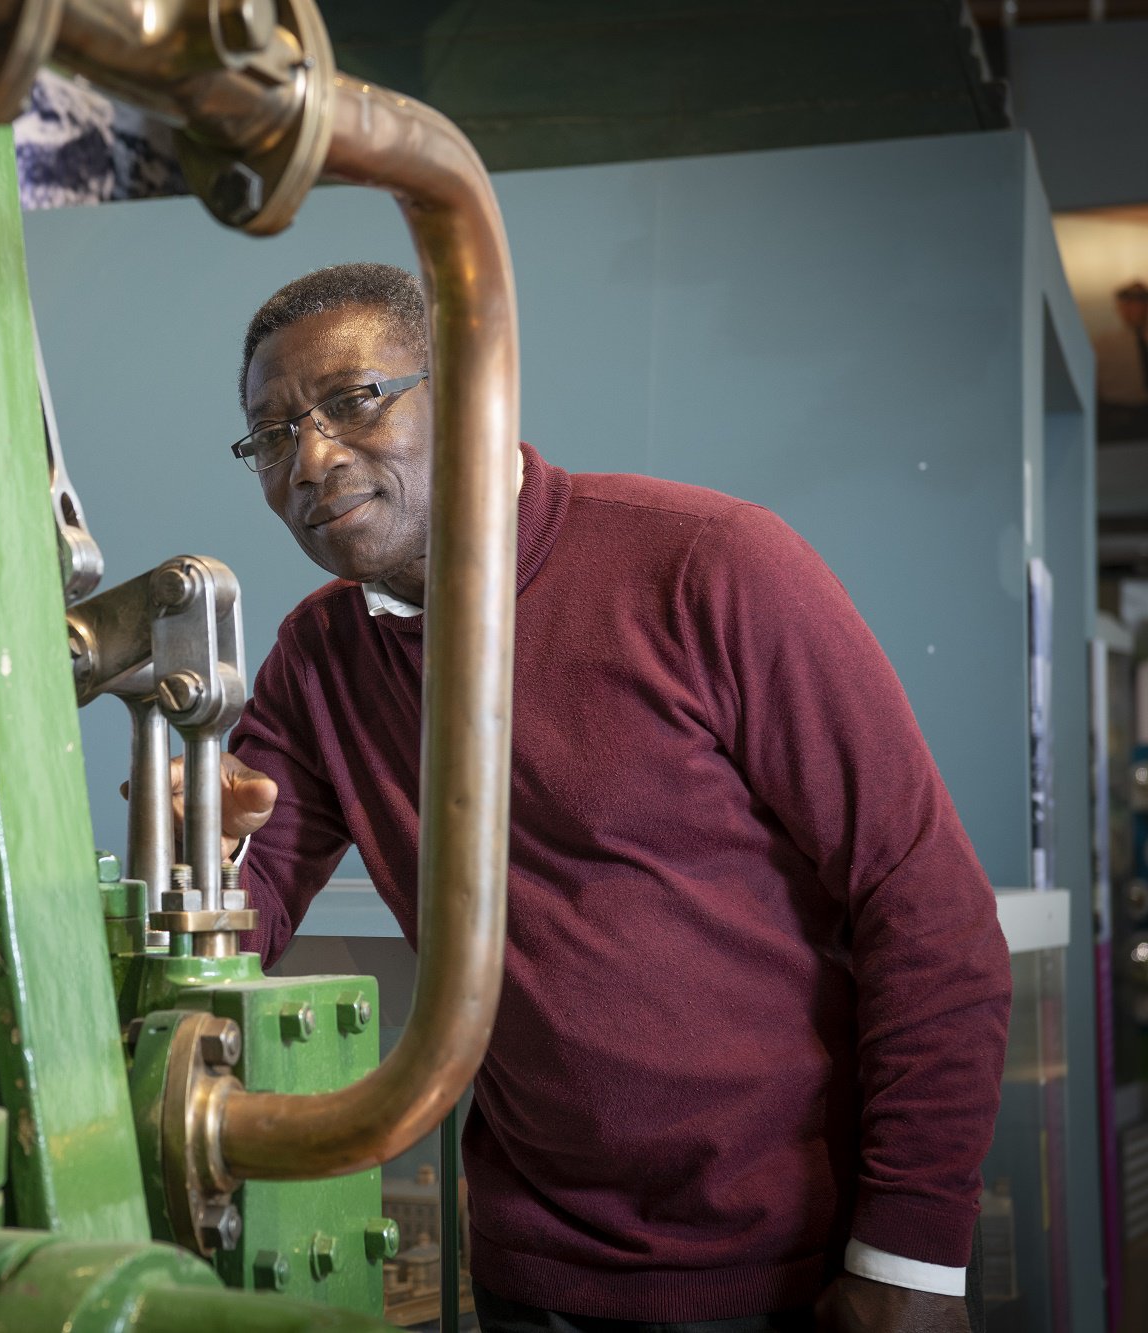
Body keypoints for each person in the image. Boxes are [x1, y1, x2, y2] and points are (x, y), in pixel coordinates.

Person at [199, 262, 1012, 1333]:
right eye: (269, 434)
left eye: (352, 401)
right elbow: (238, 915)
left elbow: (926, 909)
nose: (307, 458)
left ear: (472, 389)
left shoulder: (707, 566)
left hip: (793, 1272)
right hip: (530, 1277)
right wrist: (190, 836)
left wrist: (907, 1257)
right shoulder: (318, 658)